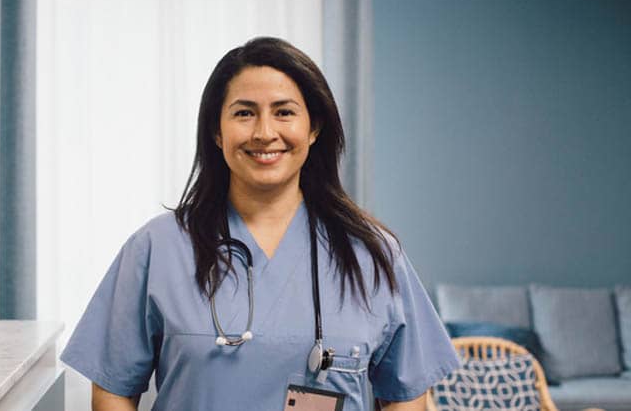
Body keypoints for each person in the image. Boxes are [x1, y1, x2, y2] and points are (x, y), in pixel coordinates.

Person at [61, 37, 459, 411]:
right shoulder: (156, 248)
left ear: (314, 127)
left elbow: (407, 397)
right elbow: (113, 391)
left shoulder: (373, 253)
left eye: (284, 112)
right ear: (217, 132)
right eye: (244, 113)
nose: (265, 133)